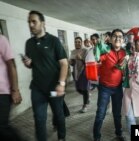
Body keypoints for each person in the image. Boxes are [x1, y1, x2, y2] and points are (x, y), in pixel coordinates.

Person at [22, 10, 68, 141]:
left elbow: (64, 64)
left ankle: (61, 137)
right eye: (29, 22)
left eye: (34, 21)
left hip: (54, 89)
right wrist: (28, 63)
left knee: (58, 114)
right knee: (39, 118)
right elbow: (31, 64)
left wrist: (61, 84)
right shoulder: (29, 43)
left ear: (43, 23)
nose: (31, 25)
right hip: (38, 89)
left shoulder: (54, 41)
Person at [93, 29, 126, 141]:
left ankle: (119, 133)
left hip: (118, 88)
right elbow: (97, 58)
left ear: (123, 40)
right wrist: (97, 51)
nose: (117, 38)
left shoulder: (124, 53)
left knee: (117, 113)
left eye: (120, 37)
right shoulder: (105, 51)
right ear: (111, 39)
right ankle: (96, 137)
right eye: (115, 36)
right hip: (104, 88)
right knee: (100, 114)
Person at [0, 34, 23, 141]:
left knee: (1, 127)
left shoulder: (1, 39)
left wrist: (15, 90)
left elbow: (11, 64)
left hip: (2, 92)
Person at [69, 37, 89, 113]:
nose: (77, 43)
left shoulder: (85, 50)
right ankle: (87, 98)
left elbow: (87, 62)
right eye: (76, 42)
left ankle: (85, 105)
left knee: (84, 89)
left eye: (79, 42)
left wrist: (81, 58)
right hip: (76, 72)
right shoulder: (73, 51)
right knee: (78, 89)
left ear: (82, 42)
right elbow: (73, 63)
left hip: (84, 71)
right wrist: (71, 62)